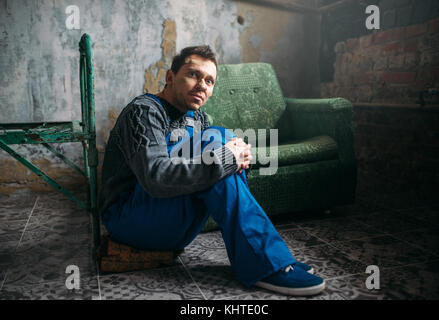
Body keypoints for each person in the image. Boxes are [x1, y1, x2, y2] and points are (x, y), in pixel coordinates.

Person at [97, 45, 325, 296]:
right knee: (216, 142)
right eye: (193, 75)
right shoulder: (144, 111)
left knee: (221, 138)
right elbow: (157, 177)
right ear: (171, 78)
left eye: (209, 80)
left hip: (173, 225)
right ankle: (266, 262)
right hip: (128, 220)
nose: (202, 85)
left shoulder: (198, 118)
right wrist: (227, 156)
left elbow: (215, 172)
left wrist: (237, 155)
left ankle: (265, 259)